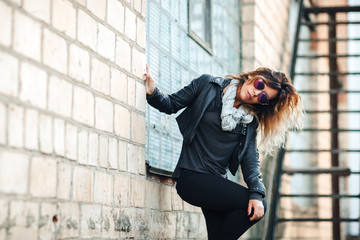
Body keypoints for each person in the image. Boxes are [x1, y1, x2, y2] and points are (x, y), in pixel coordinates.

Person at [144, 65, 303, 239]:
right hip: (191, 176)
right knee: (255, 207)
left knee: (220, 234)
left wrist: (257, 193)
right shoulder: (208, 85)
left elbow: (250, 160)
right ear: (253, 75)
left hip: (215, 182)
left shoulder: (249, 121)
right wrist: (152, 91)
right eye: (259, 85)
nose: (257, 94)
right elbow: (171, 104)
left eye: (264, 97)